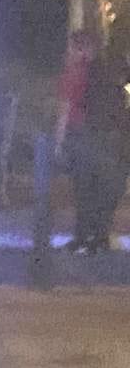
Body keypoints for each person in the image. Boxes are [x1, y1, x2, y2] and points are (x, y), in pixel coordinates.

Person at [57, 29, 130, 253]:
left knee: (83, 188)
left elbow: (65, 109)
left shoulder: (76, 73)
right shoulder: (106, 72)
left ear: (81, 49)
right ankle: (99, 236)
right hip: (106, 136)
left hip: (82, 134)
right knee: (101, 188)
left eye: (72, 47)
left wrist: (59, 141)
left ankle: (82, 236)